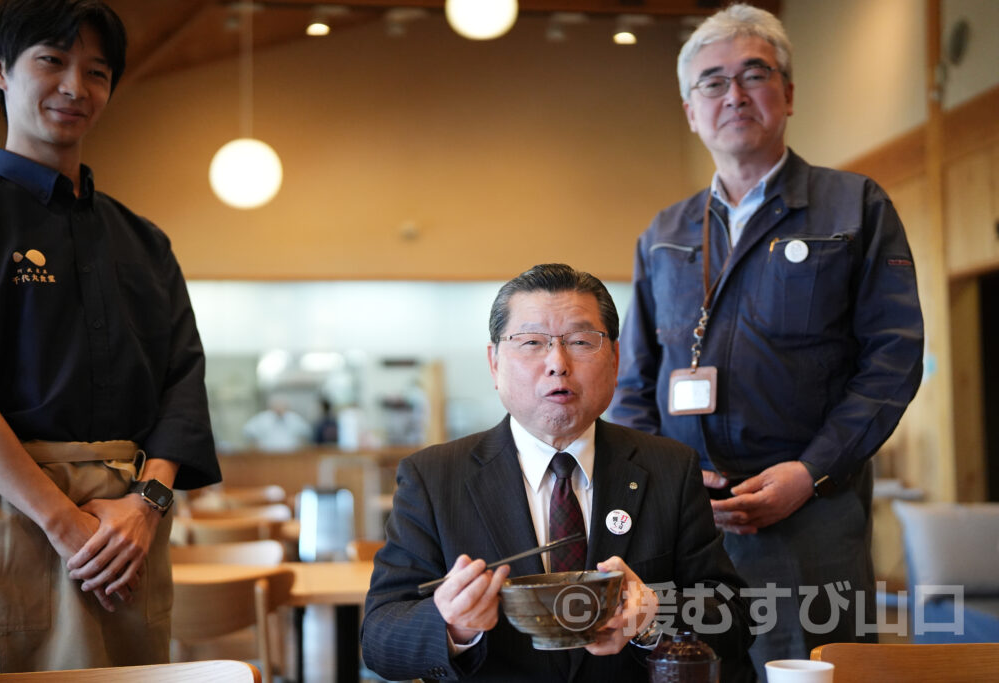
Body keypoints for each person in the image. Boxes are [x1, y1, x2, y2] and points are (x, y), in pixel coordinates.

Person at [609, 4, 924, 677]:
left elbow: (893, 361)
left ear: (788, 94)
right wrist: (664, 483)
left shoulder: (855, 208)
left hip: (811, 519)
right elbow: (633, 383)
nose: (734, 95)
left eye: (754, 75)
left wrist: (809, 472)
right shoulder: (662, 234)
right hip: (687, 523)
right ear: (690, 110)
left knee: (808, 671)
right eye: (712, 82)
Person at [362, 263, 755, 683]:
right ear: (495, 362)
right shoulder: (433, 476)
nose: (557, 363)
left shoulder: (670, 468)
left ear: (615, 359)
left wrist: (653, 618)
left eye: (581, 341)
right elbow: (381, 638)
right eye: (531, 342)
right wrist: (454, 625)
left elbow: (734, 616)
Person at [0, 0, 220, 672]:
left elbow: (183, 381)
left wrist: (147, 505)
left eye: (98, 71)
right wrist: (61, 520)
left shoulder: (143, 239)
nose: (75, 88)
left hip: (129, 532)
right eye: (52, 61)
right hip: (3, 517)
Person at [242, 394, 312, 451]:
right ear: (272, 406)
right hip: (267, 454)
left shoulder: (294, 418)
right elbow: (248, 431)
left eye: (282, 406)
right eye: (277, 405)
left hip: (291, 454)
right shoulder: (262, 418)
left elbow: (306, 433)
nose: (279, 408)